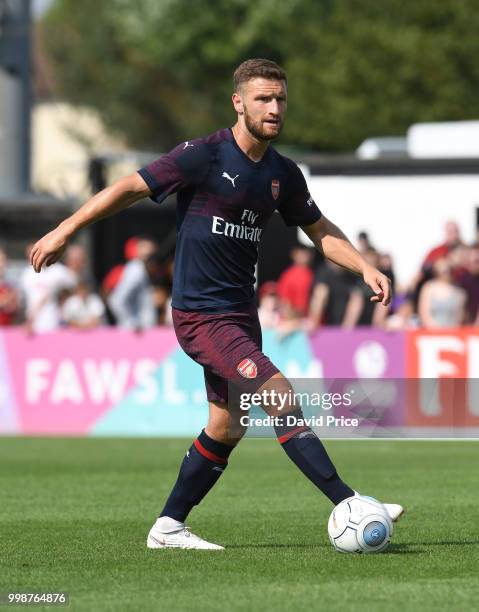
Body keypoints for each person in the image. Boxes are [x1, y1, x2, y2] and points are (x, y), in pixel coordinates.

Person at [30, 58, 403, 550]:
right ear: (239, 102)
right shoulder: (203, 157)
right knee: (280, 393)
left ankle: (168, 527)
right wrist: (64, 229)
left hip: (240, 316)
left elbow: (321, 231)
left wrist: (364, 267)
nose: (273, 109)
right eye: (263, 99)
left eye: (280, 100)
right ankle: (348, 501)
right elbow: (127, 188)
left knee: (227, 425)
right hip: (201, 314)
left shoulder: (281, 174)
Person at [418, 257, 466, 328]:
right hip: (431, 333)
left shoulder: (459, 292)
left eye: (447, 270)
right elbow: (424, 313)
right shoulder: (429, 287)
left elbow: (458, 317)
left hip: (452, 332)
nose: (445, 274)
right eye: (441, 271)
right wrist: (437, 330)